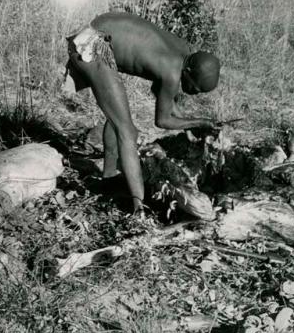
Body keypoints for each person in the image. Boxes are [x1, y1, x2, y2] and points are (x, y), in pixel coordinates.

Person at [63, 12, 221, 217]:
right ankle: (139, 208)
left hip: (98, 33)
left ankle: (109, 178)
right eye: (195, 88)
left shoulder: (183, 51)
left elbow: (163, 96)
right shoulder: (173, 72)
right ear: (189, 71)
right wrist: (200, 122)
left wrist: (190, 126)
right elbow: (162, 120)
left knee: (118, 114)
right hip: (94, 45)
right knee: (128, 131)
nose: (193, 93)